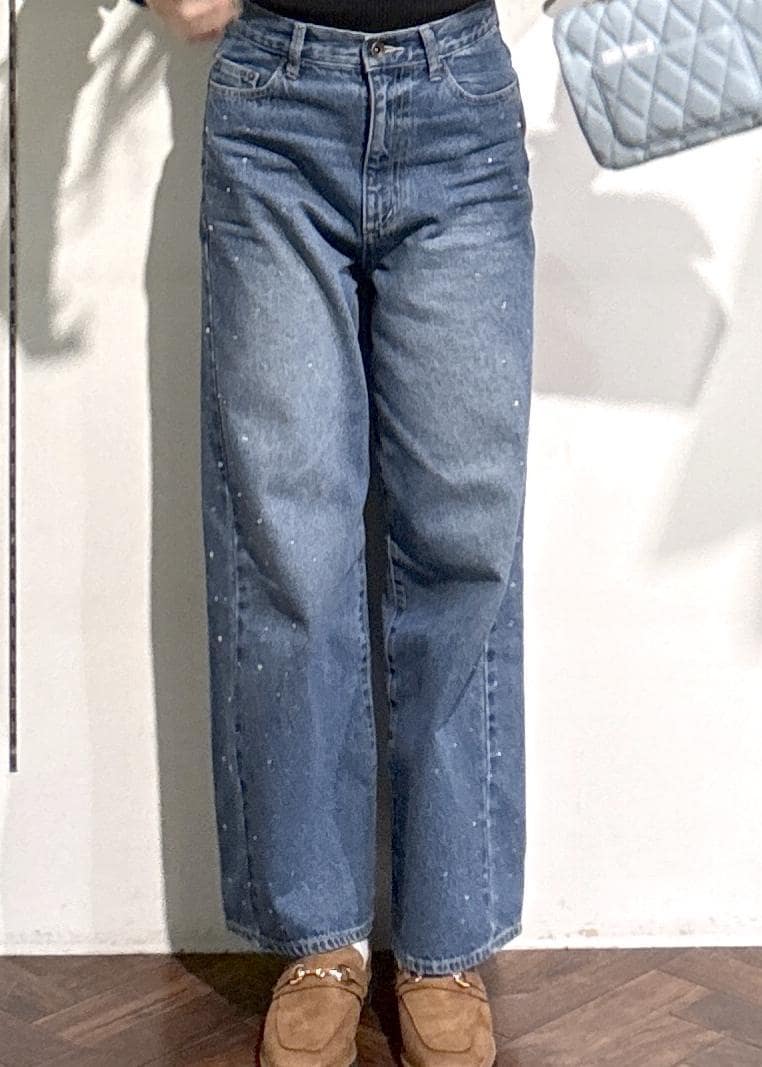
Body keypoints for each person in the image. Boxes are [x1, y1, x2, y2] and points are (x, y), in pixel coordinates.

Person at [132, 0, 534, 1063]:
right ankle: (318, 940)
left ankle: (445, 940)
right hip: (272, 99)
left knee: (464, 538)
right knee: (287, 545)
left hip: (461, 94)